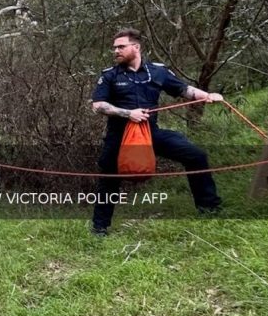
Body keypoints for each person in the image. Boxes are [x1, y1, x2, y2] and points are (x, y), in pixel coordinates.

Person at [90, 28, 224, 235]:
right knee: (109, 178)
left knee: (196, 156)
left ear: (136, 47)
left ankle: (209, 209)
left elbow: (185, 90)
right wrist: (128, 113)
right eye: (115, 48)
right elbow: (98, 105)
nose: (116, 51)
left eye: (121, 47)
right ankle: (100, 228)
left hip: (150, 133)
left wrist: (207, 95)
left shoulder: (157, 71)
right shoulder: (110, 75)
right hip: (119, 136)